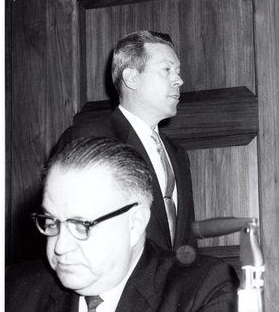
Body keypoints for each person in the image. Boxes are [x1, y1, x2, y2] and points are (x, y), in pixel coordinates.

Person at [5, 136, 238, 312]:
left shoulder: (202, 285)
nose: (59, 247)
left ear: (135, 223)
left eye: (81, 225)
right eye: (51, 222)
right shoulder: (12, 288)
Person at [55, 30, 195, 251]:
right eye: (166, 70)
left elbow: (185, 241)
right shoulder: (90, 139)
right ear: (131, 78)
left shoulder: (177, 154)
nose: (179, 80)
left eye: (177, 72)